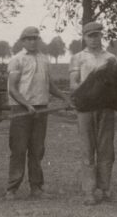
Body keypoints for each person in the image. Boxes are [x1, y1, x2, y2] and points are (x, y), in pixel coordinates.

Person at [5, 26, 69, 200]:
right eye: (29, 39)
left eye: (35, 38)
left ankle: (36, 188)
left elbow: (50, 86)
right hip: (21, 111)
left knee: (37, 150)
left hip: (41, 109)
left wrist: (64, 98)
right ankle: (12, 189)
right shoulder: (17, 60)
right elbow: (12, 89)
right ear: (23, 41)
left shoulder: (44, 59)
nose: (32, 41)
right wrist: (26, 105)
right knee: (18, 149)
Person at [69, 22, 117, 205]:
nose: (94, 39)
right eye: (90, 35)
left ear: (101, 36)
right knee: (87, 149)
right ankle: (89, 191)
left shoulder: (110, 58)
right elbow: (73, 83)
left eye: (97, 35)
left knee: (106, 150)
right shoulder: (78, 58)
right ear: (84, 38)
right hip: (86, 109)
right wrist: (87, 95)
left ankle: (106, 189)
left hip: (106, 109)